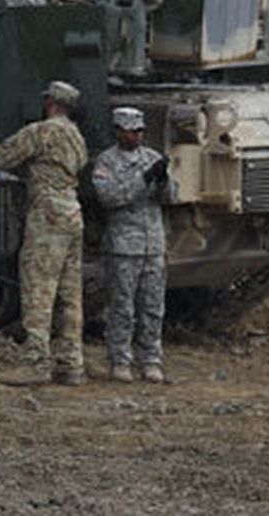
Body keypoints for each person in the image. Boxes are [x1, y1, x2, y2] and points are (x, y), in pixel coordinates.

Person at [0, 81, 90, 386]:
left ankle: (36, 361)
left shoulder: (41, 131)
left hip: (47, 215)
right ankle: (71, 363)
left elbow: (1, 157)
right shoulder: (76, 136)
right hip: (72, 213)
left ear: (50, 103)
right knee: (69, 293)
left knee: (38, 287)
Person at [91, 106, 176, 384]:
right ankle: (120, 360)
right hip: (123, 247)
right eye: (131, 131)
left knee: (153, 307)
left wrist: (163, 180)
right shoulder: (106, 162)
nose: (136, 136)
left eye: (140, 131)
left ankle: (151, 359)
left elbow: (170, 199)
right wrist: (145, 179)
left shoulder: (151, 158)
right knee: (121, 307)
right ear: (118, 131)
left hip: (153, 244)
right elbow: (109, 197)